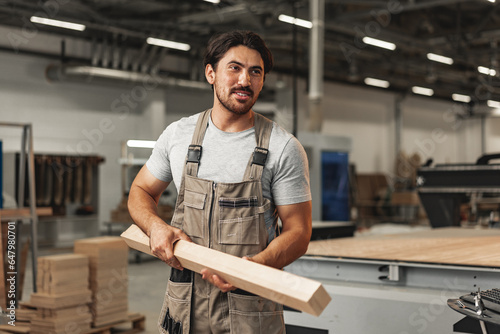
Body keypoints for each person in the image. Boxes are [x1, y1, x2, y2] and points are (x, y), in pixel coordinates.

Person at [128, 30, 312, 334]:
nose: (245, 81)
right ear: (211, 73)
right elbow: (141, 190)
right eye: (234, 68)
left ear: (263, 80)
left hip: (248, 311)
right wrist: (155, 227)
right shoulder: (178, 136)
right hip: (183, 309)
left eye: (256, 72)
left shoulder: (283, 147)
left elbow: (299, 232)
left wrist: (253, 268)